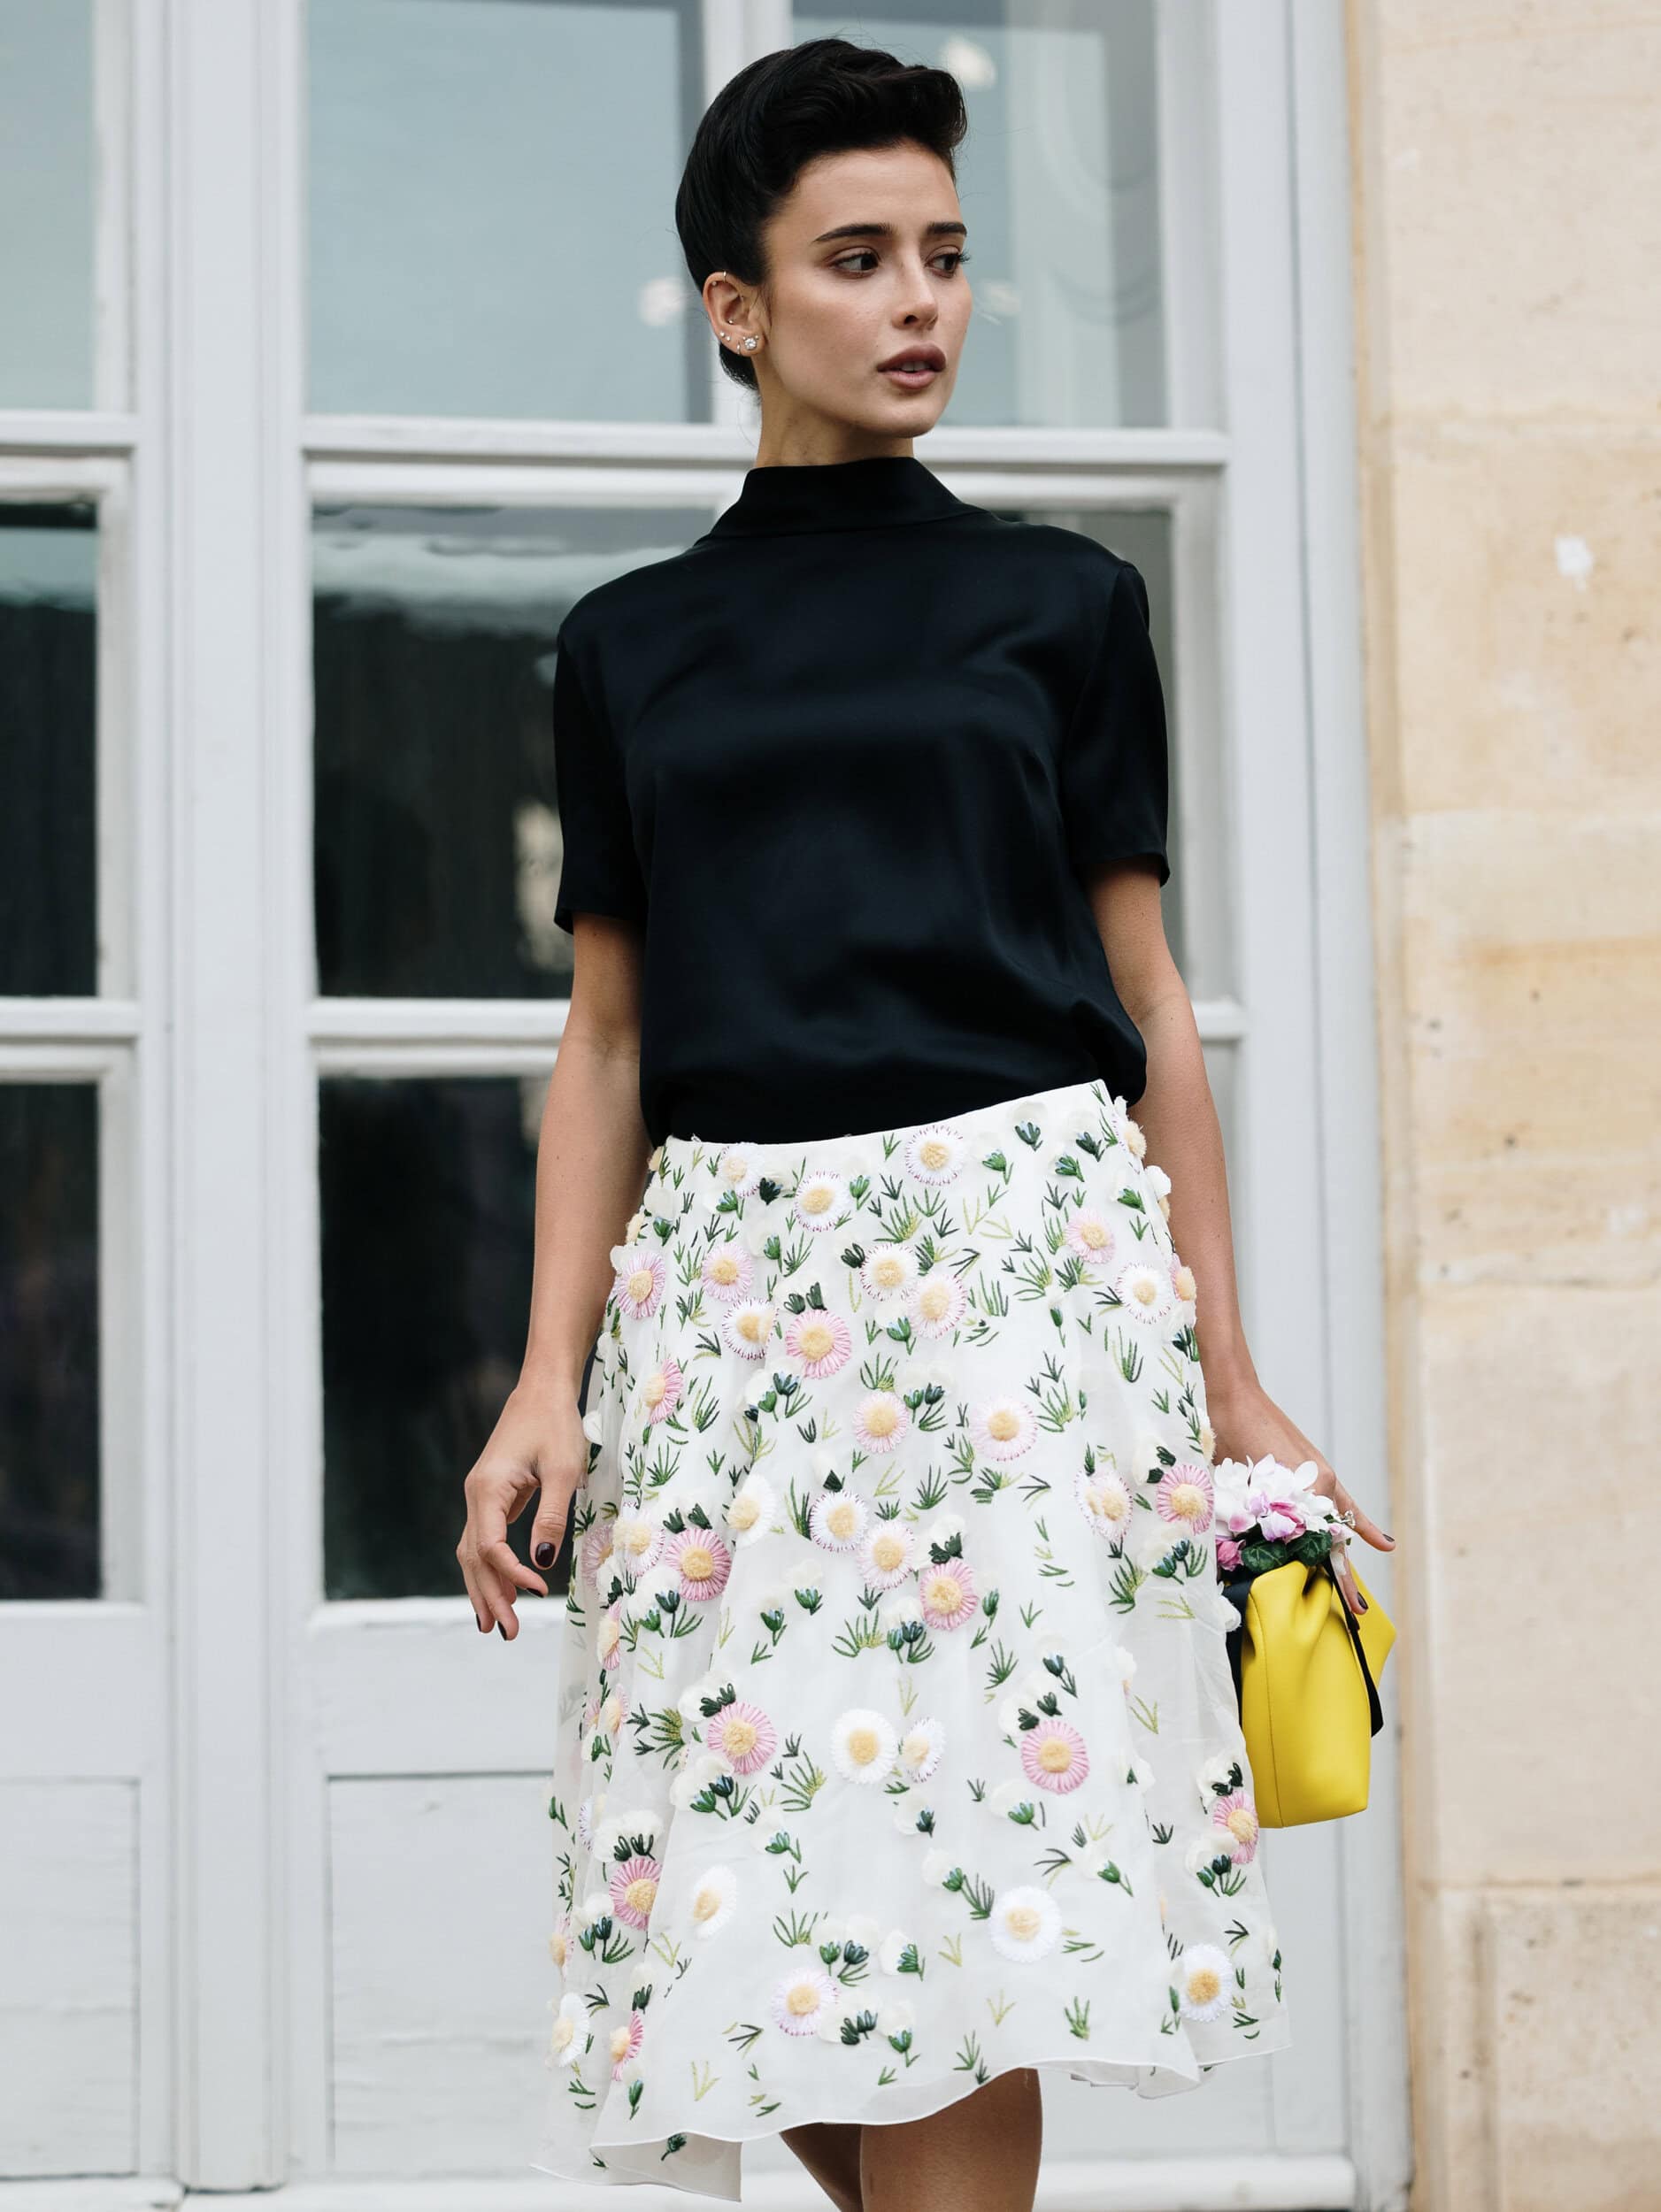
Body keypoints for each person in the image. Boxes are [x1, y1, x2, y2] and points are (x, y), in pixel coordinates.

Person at [455, 35, 1395, 2212]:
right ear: (736, 306)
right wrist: (545, 1374)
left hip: (1019, 1296)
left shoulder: (1064, 605)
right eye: (858, 257)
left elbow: (1148, 1007)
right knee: (738, 1897)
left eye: (947, 257)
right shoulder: (630, 646)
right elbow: (606, 1039)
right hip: (735, 1312)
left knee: (982, 1896)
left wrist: (1233, 1374)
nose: (920, 305)